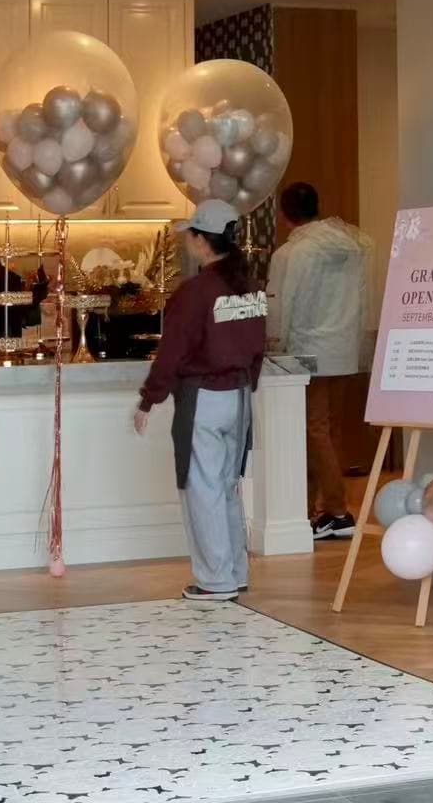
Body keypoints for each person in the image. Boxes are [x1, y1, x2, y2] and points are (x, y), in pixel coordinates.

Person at [134, 199, 268, 602]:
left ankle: (215, 580)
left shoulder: (195, 293)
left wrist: (148, 400)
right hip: (241, 395)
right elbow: (258, 347)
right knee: (227, 487)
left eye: (190, 235)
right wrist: (248, 384)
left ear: (201, 241)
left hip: (205, 399)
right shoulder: (252, 287)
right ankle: (234, 571)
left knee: (203, 487)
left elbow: (172, 353)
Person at [266, 182, 373, 540]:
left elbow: (281, 305)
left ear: (284, 215)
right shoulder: (352, 246)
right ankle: (315, 510)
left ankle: (337, 511)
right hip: (342, 349)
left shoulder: (292, 254)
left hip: (307, 350)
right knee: (326, 431)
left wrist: (273, 344)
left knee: (313, 431)